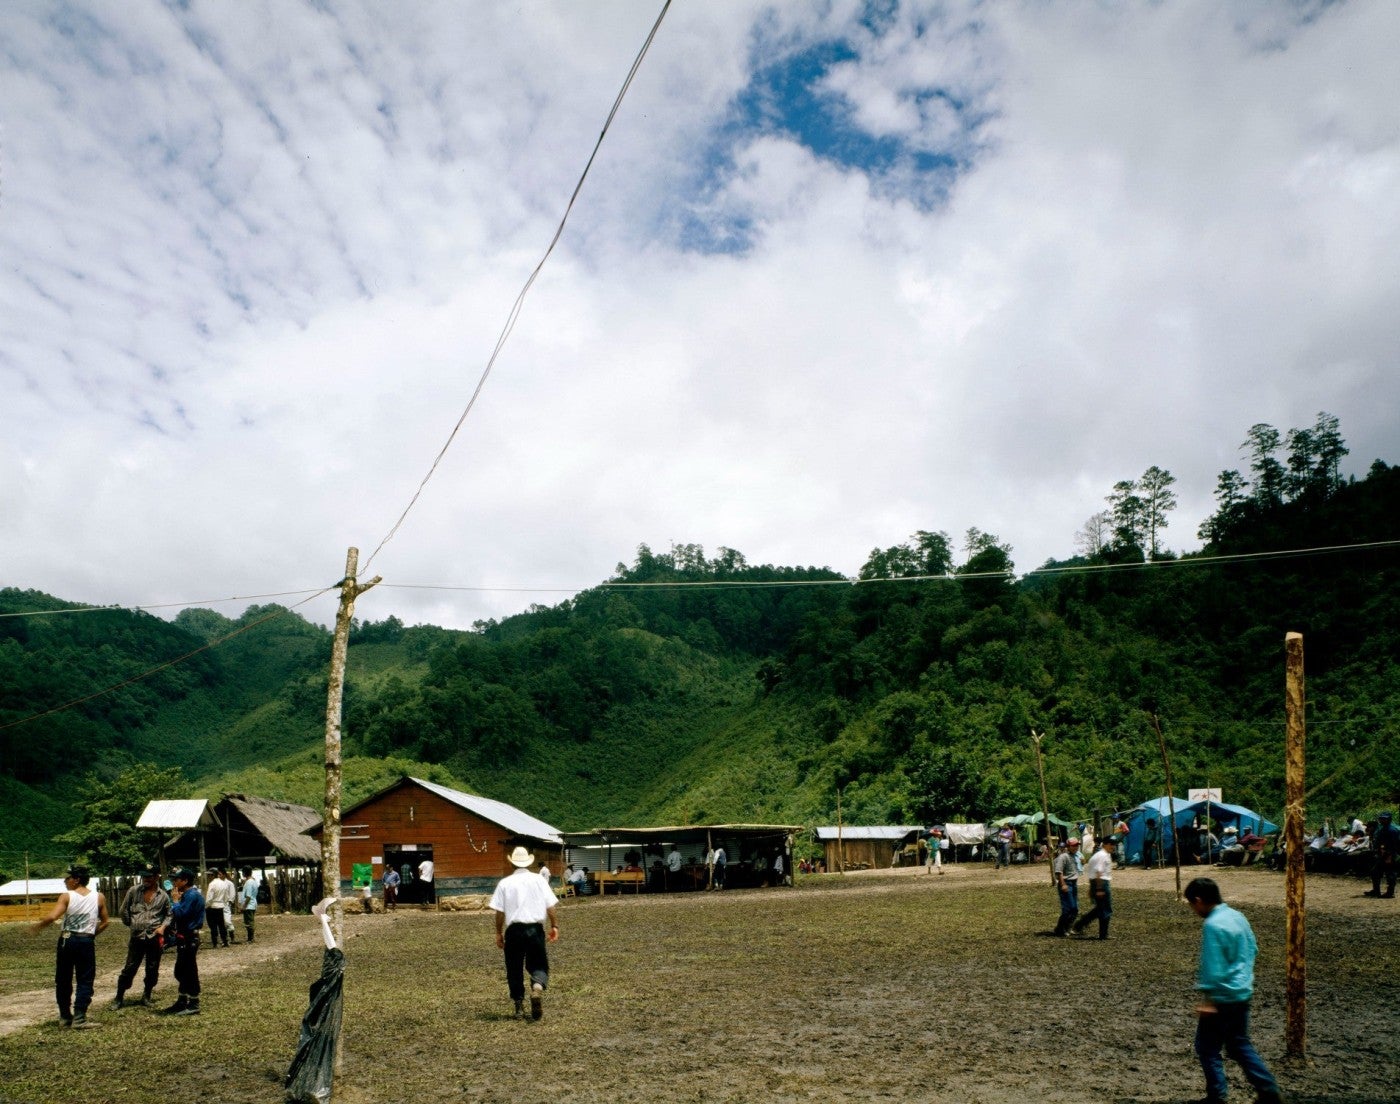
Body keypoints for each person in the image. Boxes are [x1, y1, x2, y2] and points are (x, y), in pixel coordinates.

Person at [1185, 878, 1283, 1104]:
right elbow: (1254, 948)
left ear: (1198, 901)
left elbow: (1213, 965)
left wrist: (1209, 998)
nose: (1193, 910)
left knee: (1207, 1047)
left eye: (1192, 905)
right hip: (1242, 991)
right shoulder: (1238, 917)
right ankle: (1268, 1090)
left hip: (1222, 996)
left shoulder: (1212, 924)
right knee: (1239, 1045)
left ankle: (1217, 1096)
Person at [33, 863, 109, 1028]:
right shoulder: (99, 897)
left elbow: (53, 917)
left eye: (68, 877)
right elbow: (105, 922)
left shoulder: (66, 896)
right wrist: (89, 934)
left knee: (63, 979)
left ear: (76, 879)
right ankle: (80, 1017)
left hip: (67, 940)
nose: (65, 880)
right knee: (85, 979)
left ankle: (65, 1016)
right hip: (85, 941)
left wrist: (37, 927)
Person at [488, 846, 560, 1020]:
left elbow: (500, 912)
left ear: (511, 862)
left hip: (514, 931)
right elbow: (550, 906)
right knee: (539, 964)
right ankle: (536, 988)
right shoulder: (539, 880)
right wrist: (554, 926)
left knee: (514, 967)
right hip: (535, 929)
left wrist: (499, 932)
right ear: (529, 862)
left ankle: (519, 1007)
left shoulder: (504, 883)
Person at [112, 863, 171, 1009]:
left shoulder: (163, 896)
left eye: (149, 876)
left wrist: (162, 927)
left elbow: (169, 914)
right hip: (137, 937)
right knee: (129, 968)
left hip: (154, 938)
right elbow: (123, 911)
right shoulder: (133, 891)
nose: (146, 879)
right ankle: (119, 998)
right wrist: (132, 924)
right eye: (143, 876)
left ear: (157, 877)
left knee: (152, 968)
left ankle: (147, 995)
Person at [160, 867, 204, 1016]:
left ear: (185, 880)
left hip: (189, 937)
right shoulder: (188, 894)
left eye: (176, 879)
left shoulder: (191, 895)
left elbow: (182, 915)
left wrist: (175, 902)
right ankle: (182, 1000)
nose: (174, 882)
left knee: (189, 970)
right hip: (184, 937)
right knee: (181, 970)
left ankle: (193, 1002)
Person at [1072, 837, 1115, 939]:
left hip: (1097, 882)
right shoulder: (1102, 855)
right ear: (1105, 844)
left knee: (1099, 909)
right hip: (1101, 882)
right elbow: (1098, 872)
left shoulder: (1103, 854)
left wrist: (1093, 888)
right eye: (1111, 844)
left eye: (1114, 844)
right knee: (1106, 910)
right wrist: (1099, 889)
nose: (1113, 847)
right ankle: (1103, 934)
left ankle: (1079, 925)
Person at [1365, 811, 1399, 898]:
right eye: (1381, 818)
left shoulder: (1392, 830)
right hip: (1382, 853)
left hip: (1390, 854)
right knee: (1375, 872)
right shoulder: (1382, 829)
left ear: (1389, 819)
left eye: (1384, 819)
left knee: (1390, 873)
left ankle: (1390, 892)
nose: (1382, 820)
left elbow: (1395, 844)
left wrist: (1390, 855)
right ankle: (1376, 890)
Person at [1053, 838, 1082, 937]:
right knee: (1068, 908)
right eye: (1073, 845)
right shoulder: (1063, 857)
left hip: (1073, 883)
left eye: (1077, 845)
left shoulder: (1075, 856)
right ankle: (1060, 929)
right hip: (1066, 883)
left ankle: (1068, 927)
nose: (1076, 847)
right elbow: (1059, 871)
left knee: (1075, 908)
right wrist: (1063, 884)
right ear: (1068, 846)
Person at [205, 867, 236, 947]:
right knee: (221, 925)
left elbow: (209, 898)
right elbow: (226, 897)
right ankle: (225, 941)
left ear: (212, 875)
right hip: (221, 906)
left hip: (212, 906)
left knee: (213, 926)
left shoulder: (212, 884)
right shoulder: (224, 883)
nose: (208, 877)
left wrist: (207, 906)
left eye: (209, 875)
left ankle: (215, 943)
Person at [238, 866, 258, 943]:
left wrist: (243, 906)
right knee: (249, 921)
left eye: (242, 872)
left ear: (244, 872)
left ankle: (251, 938)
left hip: (249, 905)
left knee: (249, 922)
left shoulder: (249, 882)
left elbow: (248, 896)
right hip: (252, 904)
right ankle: (250, 938)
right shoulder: (253, 881)